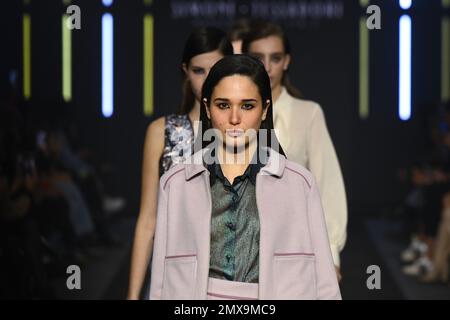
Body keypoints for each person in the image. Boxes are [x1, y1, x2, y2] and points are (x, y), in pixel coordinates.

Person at [149, 55, 341, 300]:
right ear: (207, 108)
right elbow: (161, 283)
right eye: (223, 105)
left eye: (247, 105)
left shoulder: (298, 184)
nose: (235, 119)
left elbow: (324, 283)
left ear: (265, 110)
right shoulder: (175, 185)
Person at [127, 27, 233, 299]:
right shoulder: (161, 132)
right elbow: (148, 220)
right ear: (185, 71)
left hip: (233, 276)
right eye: (199, 70)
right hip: (173, 275)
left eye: (217, 69)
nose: (208, 79)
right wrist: (132, 294)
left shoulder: (248, 134)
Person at [241, 21, 347, 278]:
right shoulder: (231, 114)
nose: (267, 66)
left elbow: (327, 183)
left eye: (275, 58)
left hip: (295, 245)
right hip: (239, 246)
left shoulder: (307, 113)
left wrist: (332, 253)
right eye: (258, 57)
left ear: (286, 61)